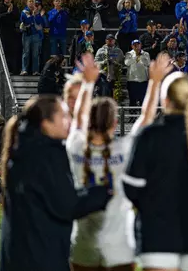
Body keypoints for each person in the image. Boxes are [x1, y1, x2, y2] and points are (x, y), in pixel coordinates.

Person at [66, 53, 169, 271]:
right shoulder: (124, 149)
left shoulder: (75, 145)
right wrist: (155, 81)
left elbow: (78, 119)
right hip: (119, 242)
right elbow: (146, 116)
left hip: (84, 241)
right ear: (115, 122)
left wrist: (87, 83)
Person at [0, 95, 112, 271]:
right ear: (46, 123)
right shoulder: (48, 154)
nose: (69, 120)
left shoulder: (22, 150)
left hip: (18, 257)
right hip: (41, 257)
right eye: (64, 116)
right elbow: (67, 205)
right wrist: (104, 192)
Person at [123, 72, 188, 271]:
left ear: (164, 99)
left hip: (157, 235)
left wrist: (151, 208)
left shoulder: (149, 135)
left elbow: (131, 188)